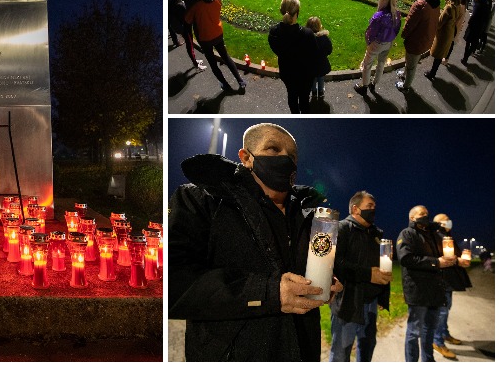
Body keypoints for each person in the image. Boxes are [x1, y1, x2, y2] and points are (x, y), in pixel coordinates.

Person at [169, 123, 343, 361]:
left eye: (292, 156)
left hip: (302, 351)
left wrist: (324, 282)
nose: (285, 158)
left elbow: (308, 269)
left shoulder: (308, 214)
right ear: (246, 157)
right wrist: (269, 292)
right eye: (273, 149)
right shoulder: (203, 199)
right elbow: (175, 283)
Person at [329, 191, 391, 362]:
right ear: (355, 209)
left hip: (370, 304)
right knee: (341, 351)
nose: (373, 210)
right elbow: (336, 264)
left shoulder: (376, 234)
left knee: (367, 346)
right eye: (369, 206)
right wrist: (368, 274)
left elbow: (382, 266)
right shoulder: (341, 229)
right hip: (347, 302)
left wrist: (382, 296)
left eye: (375, 207)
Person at [398, 205, 455, 362]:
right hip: (418, 292)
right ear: (412, 217)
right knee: (414, 331)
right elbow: (406, 259)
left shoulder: (432, 235)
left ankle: (428, 360)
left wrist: (449, 259)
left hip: (435, 292)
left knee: (429, 330)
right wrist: (436, 262)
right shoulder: (407, 234)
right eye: (422, 214)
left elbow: (443, 253)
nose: (425, 216)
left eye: (427, 214)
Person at [183, 0, 246, 92]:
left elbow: (187, 20)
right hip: (217, 32)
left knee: (212, 63)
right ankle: (241, 81)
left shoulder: (194, 0)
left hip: (204, 37)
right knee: (226, 57)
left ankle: (225, 84)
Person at [431, 213, 472, 359]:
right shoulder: (436, 235)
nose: (449, 222)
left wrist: (463, 260)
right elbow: (442, 257)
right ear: (439, 223)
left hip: (449, 280)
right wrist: (458, 261)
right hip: (442, 280)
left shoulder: (447, 235)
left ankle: (444, 334)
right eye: (446, 220)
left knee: (446, 310)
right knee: (441, 312)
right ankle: (437, 341)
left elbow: (455, 254)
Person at [268, 0, 318, 113]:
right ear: (297, 13)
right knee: (304, 100)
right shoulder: (307, 34)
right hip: (305, 75)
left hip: (287, 73)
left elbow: (276, 49)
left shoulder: (274, 32)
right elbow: (315, 55)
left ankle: (294, 113)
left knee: (292, 95)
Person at [395, 0, 440, 93]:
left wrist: (404, 34)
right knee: (410, 61)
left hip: (416, 40)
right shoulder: (435, 1)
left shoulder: (421, 4)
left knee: (411, 66)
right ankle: (404, 74)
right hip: (426, 38)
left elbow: (410, 23)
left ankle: (406, 86)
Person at [354, 0, 402, 96]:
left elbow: (371, 32)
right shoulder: (397, 14)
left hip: (377, 43)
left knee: (367, 64)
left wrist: (369, 42)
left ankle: (364, 86)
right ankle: (374, 83)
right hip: (388, 43)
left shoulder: (379, 16)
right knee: (381, 63)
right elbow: (397, 29)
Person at [169, 0, 205, 71]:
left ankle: (195, 60)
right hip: (185, 28)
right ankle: (196, 65)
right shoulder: (179, 4)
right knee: (189, 45)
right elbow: (186, 17)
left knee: (190, 44)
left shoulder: (173, 2)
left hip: (181, 28)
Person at [425, 0, 459, 80]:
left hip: (443, 34)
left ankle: (432, 73)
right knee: (440, 55)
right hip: (449, 32)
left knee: (438, 54)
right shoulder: (456, 5)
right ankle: (433, 72)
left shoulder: (449, 7)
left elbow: (440, 22)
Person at [460, 0, 491, 66]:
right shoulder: (486, 5)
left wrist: (469, 22)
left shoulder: (477, 4)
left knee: (468, 43)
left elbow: (474, 16)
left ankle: (465, 58)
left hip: (473, 26)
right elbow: (486, 17)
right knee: (474, 42)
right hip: (480, 26)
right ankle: (466, 57)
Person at [305, 16, 332, 99]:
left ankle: (313, 91)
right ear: (319, 26)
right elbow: (329, 50)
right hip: (321, 63)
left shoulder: (306, 39)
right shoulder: (324, 39)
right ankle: (320, 91)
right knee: (320, 77)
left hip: (310, 64)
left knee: (312, 77)